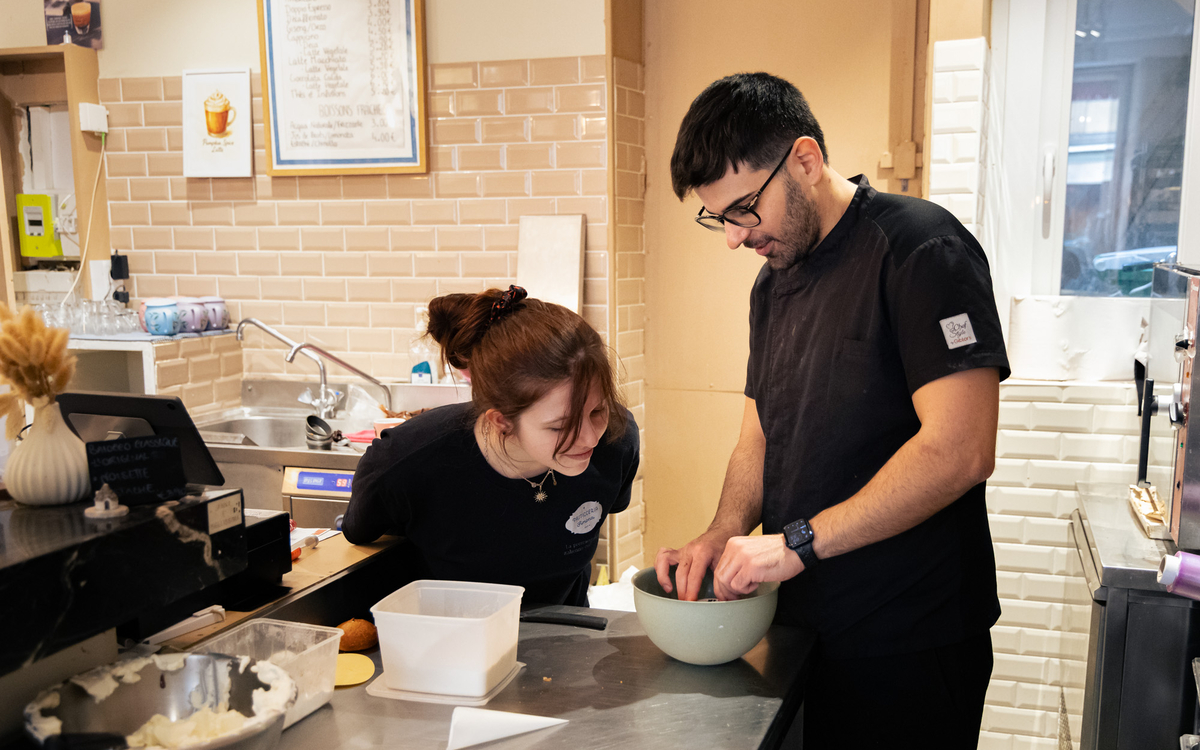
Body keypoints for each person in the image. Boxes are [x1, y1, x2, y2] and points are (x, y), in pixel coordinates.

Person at [657, 73, 1010, 748]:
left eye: (743, 209)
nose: (733, 237)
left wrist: (798, 542)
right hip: (804, 629)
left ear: (805, 160)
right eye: (719, 218)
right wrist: (722, 531)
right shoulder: (773, 287)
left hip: (909, 640)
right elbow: (760, 436)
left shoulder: (921, 250)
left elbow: (962, 450)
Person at [344, 285, 639, 607]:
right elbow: (361, 536)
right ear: (502, 421)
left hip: (566, 627)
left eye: (597, 411)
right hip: (449, 629)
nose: (590, 438)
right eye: (560, 426)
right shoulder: (409, 461)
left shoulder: (616, 439)